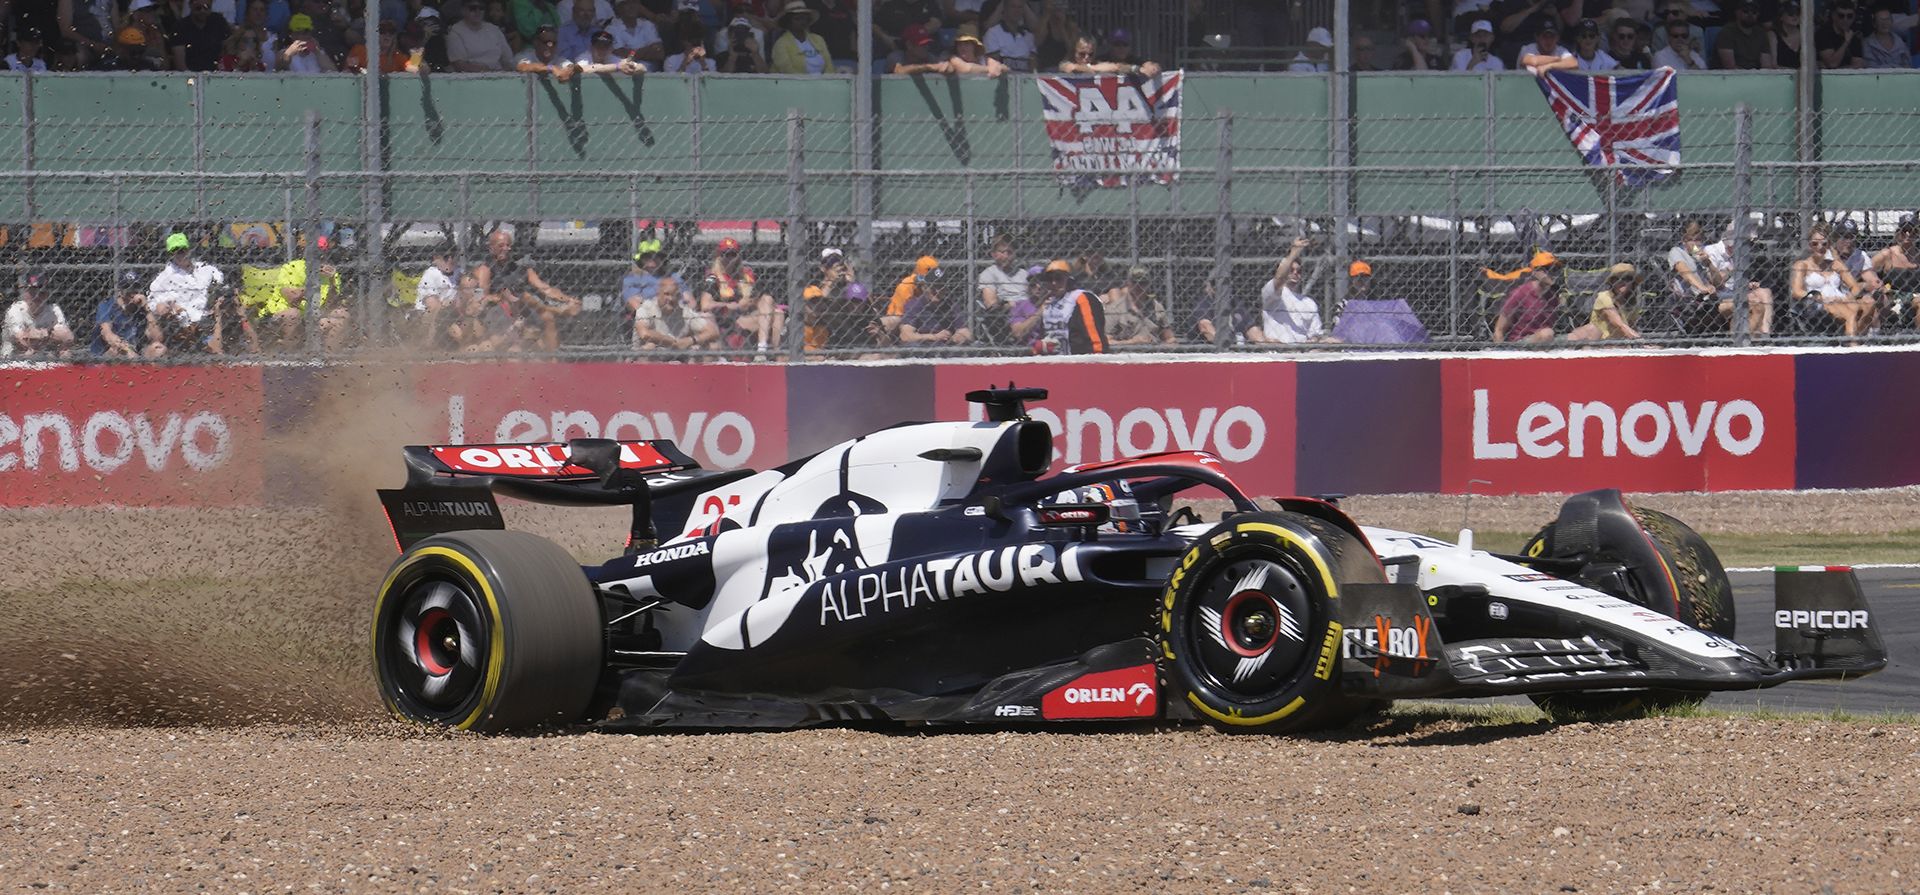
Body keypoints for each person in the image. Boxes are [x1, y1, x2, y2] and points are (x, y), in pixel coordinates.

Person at [473, 228, 581, 352]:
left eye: (508, 245)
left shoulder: (521, 268)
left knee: (547, 316)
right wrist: (502, 297)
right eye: (501, 245)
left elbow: (544, 288)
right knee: (524, 296)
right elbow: (481, 297)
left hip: (522, 309)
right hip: (498, 310)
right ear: (491, 248)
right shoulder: (485, 269)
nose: (506, 248)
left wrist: (568, 299)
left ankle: (553, 359)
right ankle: (560, 311)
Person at [697, 237, 782, 355]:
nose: (729, 258)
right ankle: (766, 352)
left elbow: (758, 300)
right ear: (719, 256)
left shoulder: (747, 274)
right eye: (725, 254)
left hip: (749, 316)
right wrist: (732, 305)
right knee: (773, 314)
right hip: (729, 320)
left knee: (777, 311)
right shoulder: (713, 277)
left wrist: (749, 302)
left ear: (738, 256)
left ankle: (765, 352)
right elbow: (705, 305)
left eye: (733, 254)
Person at [148, 231, 227, 353]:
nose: (180, 254)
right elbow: (153, 302)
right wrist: (164, 306)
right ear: (171, 254)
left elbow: (222, 284)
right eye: (176, 251)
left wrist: (219, 297)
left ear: (189, 249)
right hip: (183, 323)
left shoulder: (206, 269)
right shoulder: (165, 277)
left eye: (183, 250)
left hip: (209, 316)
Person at [1791, 224, 1872, 336]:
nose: (1820, 247)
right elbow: (1796, 291)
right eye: (1815, 243)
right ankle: (1853, 346)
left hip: (1840, 299)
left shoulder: (1835, 264)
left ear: (1829, 245)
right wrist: (1818, 297)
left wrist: (1848, 297)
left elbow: (1855, 287)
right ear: (1809, 245)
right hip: (1819, 303)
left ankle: (1857, 338)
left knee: (1869, 303)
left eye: (1824, 243)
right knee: (1850, 313)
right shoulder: (1802, 265)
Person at [1249, 238, 1334, 344]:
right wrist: (1293, 253)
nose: (1295, 273)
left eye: (1298, 271)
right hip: (1276, 351)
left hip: (1301, 353)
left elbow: (1315, 334)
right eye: (1291, 270)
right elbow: (1279, 278)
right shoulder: (1273, 294)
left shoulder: (1309, 303)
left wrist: (1312, 341)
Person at [1697, 221, 1774, 335]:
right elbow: (1718, 284)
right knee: (1755, 304)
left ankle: (1765, 333)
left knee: (1765, 293)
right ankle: (1745, 341)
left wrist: (1747, 284)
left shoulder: (1739, 254)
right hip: (1717, 297)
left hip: (1735, 292)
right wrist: (1731, 269)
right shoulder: (1711, 251)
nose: (1748, 247)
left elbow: (1734, 283)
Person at [1030, 259, 1105, 355]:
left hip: (1081, 360)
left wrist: (1097, 357)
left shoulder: (1081, 298)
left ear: (1069, 279)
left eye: (1058, 278)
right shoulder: (1048, 305)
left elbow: (1094, 336)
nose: (1053, 283)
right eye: (1049, 279)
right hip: (1056, 362)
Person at [633, 275, 719, 353]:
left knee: (712, 346)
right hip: (654, 354)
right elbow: (644, 334)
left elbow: (713, 331)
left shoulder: (684, 311)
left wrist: (691, 340)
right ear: (658, 294)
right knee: (650, 346)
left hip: (679, 354)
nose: (671, 299)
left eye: (675, 295)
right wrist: (674, 343)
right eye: (667, 294)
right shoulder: (646, 308)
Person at [92, 271, 167, 358]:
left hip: (136, 351)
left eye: (136, 287)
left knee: (159, 348)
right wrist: (127, 349)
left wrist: (147, 310)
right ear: (120, 291)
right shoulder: (107, 306)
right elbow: (107, 334)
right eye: (127, 287)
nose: (132, 291)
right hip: (109, 353)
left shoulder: (141, 309)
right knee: (116, 350)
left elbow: (158, 338)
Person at [1492, 250, 1561, 343]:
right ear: (1535, 272)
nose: (1552, 273)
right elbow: (1499, 329)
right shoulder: (1520, 293)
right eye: (1547, 268)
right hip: (1522, 343)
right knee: (1547, 333)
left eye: (1556, 269)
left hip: (1548, 339)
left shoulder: (1553, 294)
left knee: (1586, 331)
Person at [2, 270, 75, 358]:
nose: (37, 296)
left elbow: (67, 337)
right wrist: (49, 335)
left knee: (65, 353)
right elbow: (22, 341)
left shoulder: (53, 310)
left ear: (47, 294)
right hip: (14, 357)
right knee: (29, 353)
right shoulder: (16, 310)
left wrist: (39, 335)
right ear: (25, 294)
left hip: (44, 354)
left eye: (41, 292)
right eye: (32, 292)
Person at [896, 269, 972, 349]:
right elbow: (906, 336)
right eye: (933, 287)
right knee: (914, 346)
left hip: (946, 348)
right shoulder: (915, 305)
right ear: (924, 287)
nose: (937, 291)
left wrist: (957, 337)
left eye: (941, 287)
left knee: (976, 345)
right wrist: (934, 337)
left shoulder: (951, 305)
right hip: (923, 348)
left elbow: (966, 332)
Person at [1569, 262, 1642, 340]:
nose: (1622, 282)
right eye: (1617, 278)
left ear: (1633, 283)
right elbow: (1620, 325)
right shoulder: (1604, 297)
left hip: (1620, 343)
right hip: (1601, 342)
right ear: (1612, 282)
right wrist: (1640, 342)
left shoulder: (1632, 302)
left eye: (1627, 278)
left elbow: (1632, 326)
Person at [1104, 265, 1174, 346]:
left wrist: (1165, 346)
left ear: (1149, 283)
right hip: (1126, 355)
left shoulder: (1156, 307)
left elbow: (1169, 338)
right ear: (1128, 283)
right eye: (1134, 282)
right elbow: (1106, 342)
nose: (1138, 286)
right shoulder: (1115, 309)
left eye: (1143, 283)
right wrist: (1131, 342)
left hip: (1154, 353)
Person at [977, 235, 1026, 345]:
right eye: (1002, 252)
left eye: (1009, 252)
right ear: (993, 254)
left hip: (1029, 310)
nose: (1006, 256)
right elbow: (991, 305)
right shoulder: (988, 274)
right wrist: (1012, 305)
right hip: (1007, 315)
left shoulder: (1023, 274)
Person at [447, 0, 513, 70]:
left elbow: (508, 59)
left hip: (500, 75)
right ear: (463, 10)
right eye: (472, 8)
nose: (477, 11)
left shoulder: (494, 29)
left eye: (481, 8)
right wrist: (488, 70)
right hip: (471, 77)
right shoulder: (455, 32)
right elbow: (459, 64)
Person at [768, 0, 830, 73]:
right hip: (794, 83)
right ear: (788, 22)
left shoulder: (818, 39)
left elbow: (829, 66)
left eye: (804, 18)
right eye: (797, 19)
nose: (802, 21)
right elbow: (788, 72)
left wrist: (827, 82)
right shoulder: (781, 44)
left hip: (823, 82)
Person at [1058, 34, 1159, 76]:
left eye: (1090, 54)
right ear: (1074, 52)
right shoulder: (1065, 63)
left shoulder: (1097, 63)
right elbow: (1071, 68)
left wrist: (1138, 69)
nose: (1086, 58)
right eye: (1082, 54)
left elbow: (1115, 67)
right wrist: (1094, 68)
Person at [1714, 0, 1772, 68]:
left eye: (1754, 12)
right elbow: (1730, 67)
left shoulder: (1761, 33)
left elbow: (1766, 66)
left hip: (1756, 75)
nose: (1750, 14)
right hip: (1732, 76)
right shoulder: (1726, 32)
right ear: (1737, 13)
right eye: (1746, 11)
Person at [1815, 1, 1864, 69]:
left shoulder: (1854, 36)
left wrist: (1839, 69)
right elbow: (1832, 64)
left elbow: (1858, 66)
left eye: (1849, 16)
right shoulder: (1823, 34)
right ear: (1833, 16)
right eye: (1841, 16)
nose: (1845, 19)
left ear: (1854, 17)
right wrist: (1846, 42)